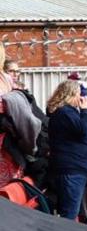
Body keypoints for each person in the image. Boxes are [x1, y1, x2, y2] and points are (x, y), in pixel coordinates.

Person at [42, 78, 87, 221]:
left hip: (78, 168)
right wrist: (85, 111)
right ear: (70, 95)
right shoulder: (64, 113)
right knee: (69, 212)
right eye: (78, 95)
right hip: (71, 170)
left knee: (74, 211)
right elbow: (83, 131)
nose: (81, 99)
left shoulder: (72, 112)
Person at [0, 60, 40, 211]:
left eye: (18, 71)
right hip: (7, 152)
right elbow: (29, 124)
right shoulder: (9, 91)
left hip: (11, 152)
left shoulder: (15, 92)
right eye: (12, 71)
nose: (15, 75)